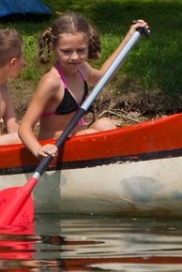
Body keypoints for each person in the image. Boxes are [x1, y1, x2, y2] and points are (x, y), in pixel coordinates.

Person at [18, 12, 149, 161]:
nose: (74, 57)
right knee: (89, 135)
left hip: (76, 142)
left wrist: (129, 39)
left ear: (88, 46)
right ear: (53, 48)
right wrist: (38, 150)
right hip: (52, 150)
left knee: (105, 124)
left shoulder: (82, 69)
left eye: (81, 50)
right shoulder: (51, 82)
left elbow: (104, 76)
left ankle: (115, 164)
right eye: (66, 51)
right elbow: (24, 127)